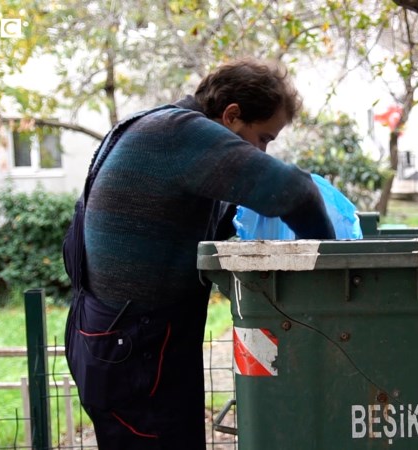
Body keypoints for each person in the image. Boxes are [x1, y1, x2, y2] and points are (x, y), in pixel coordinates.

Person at [63, 58, 335, 449]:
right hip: (136, 351)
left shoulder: (157, 127)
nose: (261, 152)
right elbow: (296, 193)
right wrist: (330, 262)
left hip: (112, 339)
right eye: (264, 139)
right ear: (232, 115)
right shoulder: (179, 134)